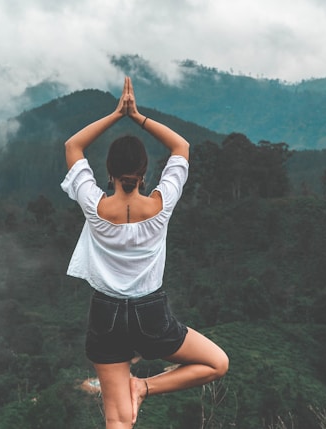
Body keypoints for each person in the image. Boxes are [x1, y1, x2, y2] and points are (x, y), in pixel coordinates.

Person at [61, 76, 229, 428]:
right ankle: (143, 387)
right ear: (144, 171)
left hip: (105, 313)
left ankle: (134, 390)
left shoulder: (94, 206)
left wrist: (115, 114)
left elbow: (73, 146)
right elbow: (181, 146)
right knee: (217, 363)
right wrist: (137, 116)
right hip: (151, 314)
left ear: (108, 171)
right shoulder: (160, 204)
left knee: (117, 421)